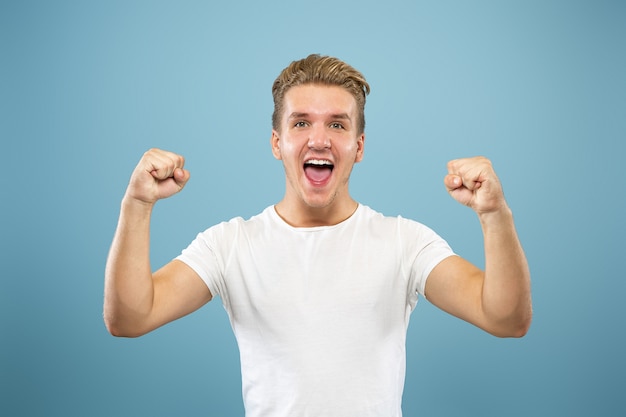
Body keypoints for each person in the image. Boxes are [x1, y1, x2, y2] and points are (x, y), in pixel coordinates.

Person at [104, 54, 532, 416]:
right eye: (301, 123)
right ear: (277, 141)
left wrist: (494, 214)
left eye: (338, 125)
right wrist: (137, 206)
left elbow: (506, 318)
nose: (319, 140)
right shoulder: (230, 245)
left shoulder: (404, 242)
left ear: (359, 146)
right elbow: (130, 318)